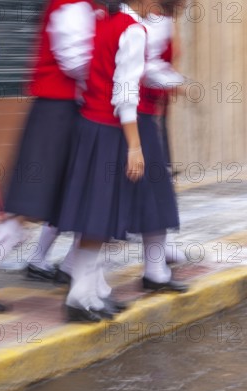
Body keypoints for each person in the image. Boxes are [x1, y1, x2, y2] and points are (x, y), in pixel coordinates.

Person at [0, 0, 96, 311]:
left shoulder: (79, 6)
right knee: (29, 205)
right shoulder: (71, 6)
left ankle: (80, 280)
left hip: (61, 112)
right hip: (58, 114)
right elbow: (76, 61)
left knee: (59, 201)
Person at [56, 0, 150, 322]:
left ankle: (89, 294)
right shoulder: (133, 30)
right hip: (108, 131)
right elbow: (126, 92)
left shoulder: (101, 20)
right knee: (98, 217)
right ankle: (79, 296)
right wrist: (134, 146)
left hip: (88, 124)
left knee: (94, 217)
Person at [131, 0, 189, 291]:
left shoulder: (152, 20)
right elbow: (144, 68)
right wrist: (175, 82)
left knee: (154, 190)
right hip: (133, 115)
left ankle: (155, 269)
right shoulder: (135, 23)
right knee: (149, 190)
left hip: (144, 112)